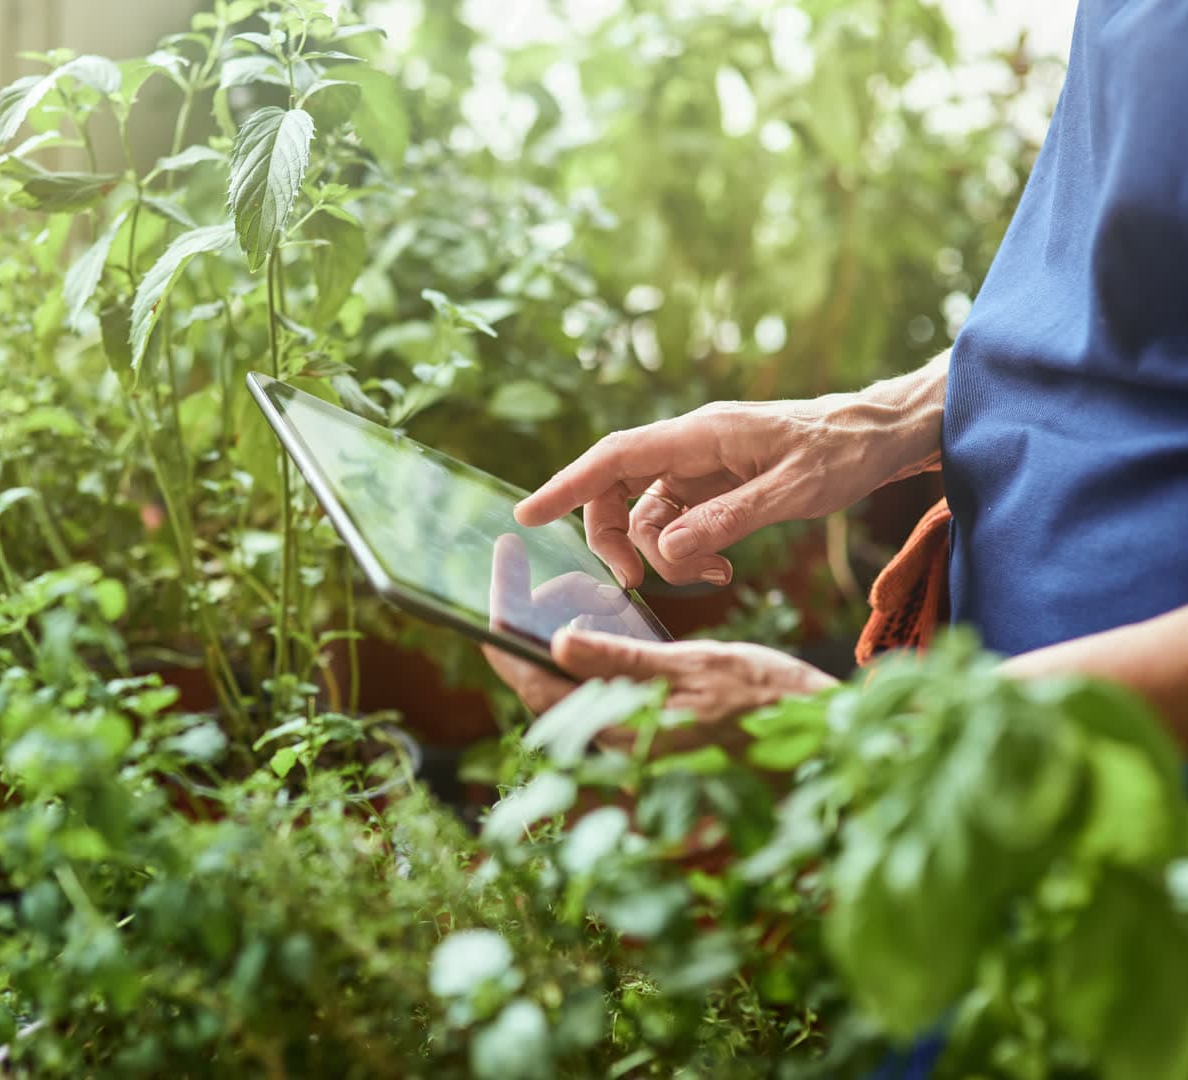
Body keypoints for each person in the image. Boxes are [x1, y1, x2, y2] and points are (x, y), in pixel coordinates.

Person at [484, 0, 1188, 749]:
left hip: (1123, 775)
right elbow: (1128, 291)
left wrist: (856, 738)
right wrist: (879, 420)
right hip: (984, 719)